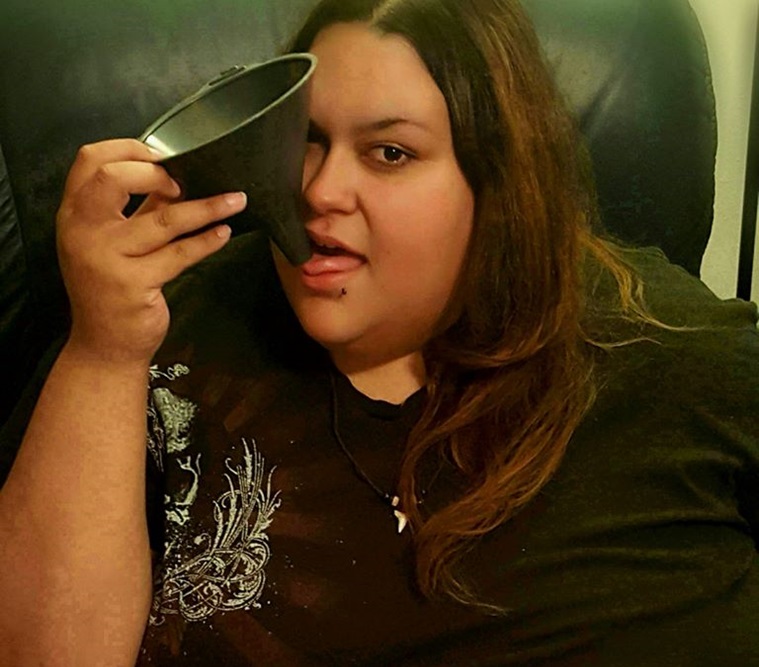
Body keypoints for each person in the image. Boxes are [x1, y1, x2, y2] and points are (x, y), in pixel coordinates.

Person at [1, 0, 757, 664]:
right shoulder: (162, 329)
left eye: (390, 153)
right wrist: (102, 351)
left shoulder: (672, 351)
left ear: (501, 181)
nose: (319, 190)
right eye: (305, 138)